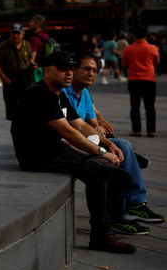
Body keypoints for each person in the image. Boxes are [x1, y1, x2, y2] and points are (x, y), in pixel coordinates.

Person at [11, 51, 136, 254]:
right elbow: (67, 131)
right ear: (48, 72)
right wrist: (101, 152)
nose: (69, 73)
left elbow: (79, 124)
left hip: (54, 149)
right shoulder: (40, 93)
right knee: (97, 170)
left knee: (98, 166)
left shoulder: (59, 94)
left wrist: (107, 143)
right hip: (37, 156)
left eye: (71, 68)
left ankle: (105, 228)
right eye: (63, 69)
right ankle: (102, 234)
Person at [63, 54, 164, 235]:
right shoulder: (64, 92)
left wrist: (99, 128)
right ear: (74, 70)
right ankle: (133, 205)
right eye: (86, 68)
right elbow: (73, 128)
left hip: (87, 139)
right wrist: (104, 141)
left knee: (119, 152)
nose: (91, 73)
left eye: (94, 70)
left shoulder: (84, 93)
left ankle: (126, 206)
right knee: (122, 148)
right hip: (73, 143)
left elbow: (92, 122)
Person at [122, 26, 160, 137]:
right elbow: (157, 62)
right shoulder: (152, 48)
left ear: (134, 35)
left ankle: (137, 130)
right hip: (149, 79)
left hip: (134, 80)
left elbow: (124, 64)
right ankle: (151, 131)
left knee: (135, 106)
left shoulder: (128, 49)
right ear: (146, 35)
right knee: (150, 106)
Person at [0, 23, 33, 120]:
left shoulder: (26, 44)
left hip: (25, 81)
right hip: (11, 82)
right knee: (12, 110)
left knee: (26, 108)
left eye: (18, 33)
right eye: (13, 33)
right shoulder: (4, 46)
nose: (15, 36)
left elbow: (30, 59)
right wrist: (4, 78)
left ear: (23, 34)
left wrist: (32, 66)